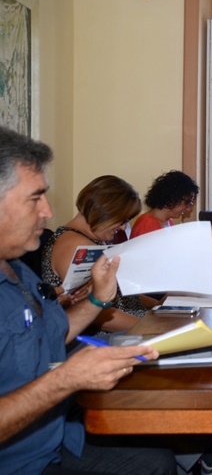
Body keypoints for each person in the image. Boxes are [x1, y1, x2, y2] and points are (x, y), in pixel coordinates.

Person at [0, 127, 173, 474]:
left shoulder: (16, 269)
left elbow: (55, 332)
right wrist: (66, 379)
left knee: (158, 461)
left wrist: (95, 300)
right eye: (35, 199)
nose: (48, 211)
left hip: (59, 437)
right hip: (22, 463)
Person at [42, 176, 159, 334]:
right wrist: (156, 329)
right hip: (110, 334)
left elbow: (118, 293)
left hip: (129, 322)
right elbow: (95, 313)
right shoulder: (76, 246)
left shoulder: (92, 240)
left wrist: (157, 306)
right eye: (122, 220)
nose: (123, 228)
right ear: (105, 212)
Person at [131, 171, 199, 239]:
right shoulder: (147, 224)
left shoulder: (168, 220)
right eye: (187, 203)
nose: (188, 209)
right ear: (173, 198)